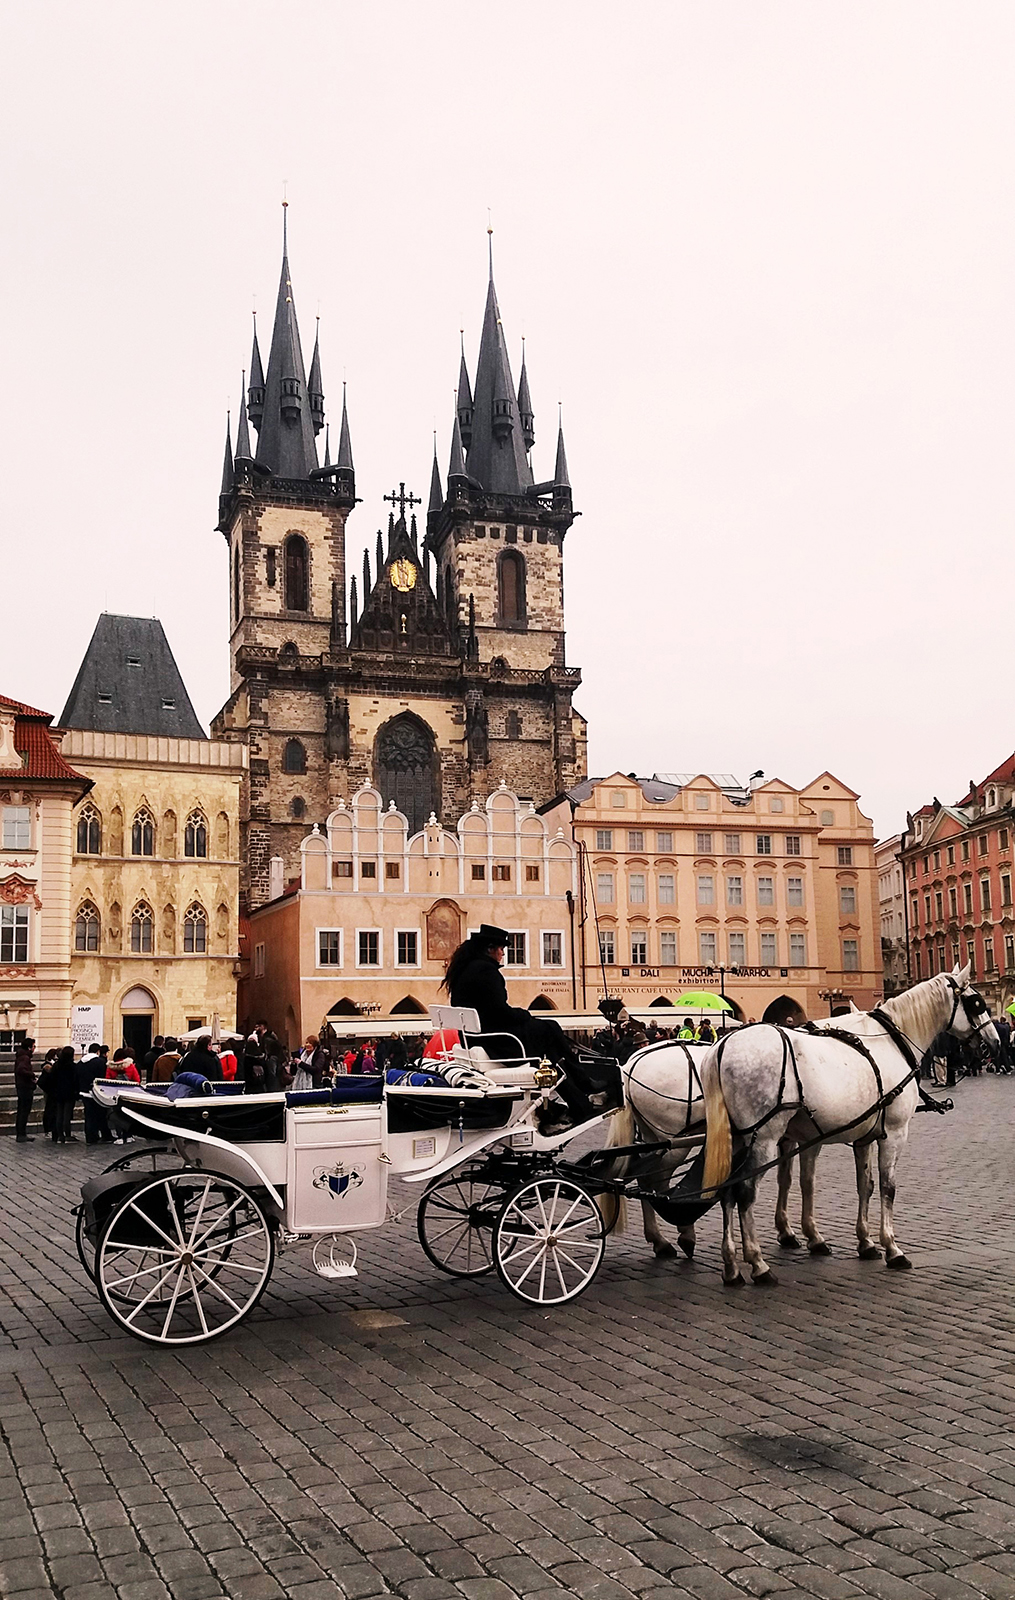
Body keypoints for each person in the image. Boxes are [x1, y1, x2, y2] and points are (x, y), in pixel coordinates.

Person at [443, 923, 621, 1133]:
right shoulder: (486, 972)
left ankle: (580, 1101)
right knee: (551, 1029)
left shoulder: (464, 971)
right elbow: (500, 1012)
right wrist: (523, 1014)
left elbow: (489, 1011)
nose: (502, 954)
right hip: (498, 1041)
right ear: (490, 949)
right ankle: (583, 1086)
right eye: (501, 949)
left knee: (549, 1048)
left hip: (479, 1038)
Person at [77, 1046, 113, 1144]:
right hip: (96, 1093)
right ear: (98, 1051)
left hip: (84, 1092)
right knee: (100, 1115)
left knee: (89, 1116)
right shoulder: (99, 1062)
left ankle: (90, 1137)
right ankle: (105, 1135)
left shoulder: (80, 1063)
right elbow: (102, 1078)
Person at [50, 1045, 79, 1143]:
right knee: (67, 1115)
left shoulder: (57, 1065)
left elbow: (52, 1078)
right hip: (69, 1093)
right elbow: (75, 1080)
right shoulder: (72, 1066)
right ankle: (67, 1135)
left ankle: (60, 1135)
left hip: (58, 1092)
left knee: (59, 1114)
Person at [14, 1037, 36, 1142]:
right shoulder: (25, 1058)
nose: (34, 1048)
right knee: (24, 1111)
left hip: (22, 1086)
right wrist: (32, 1075)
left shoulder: (21, 1056)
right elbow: (21, 1070)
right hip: (25, 1087)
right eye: (33, 1046)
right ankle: (21, 1134)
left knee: (21, 1110)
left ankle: (21, 1133)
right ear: (29, 1047)